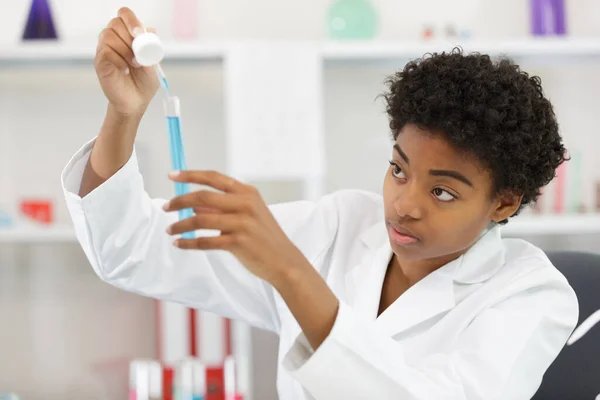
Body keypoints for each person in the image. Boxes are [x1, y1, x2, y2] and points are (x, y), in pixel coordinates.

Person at [61, 7, 578, 400]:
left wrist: (290, 272)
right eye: (398, 169)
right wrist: (123, 115)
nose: (404, 204)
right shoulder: (339, 225)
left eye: (441, 191)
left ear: (504, 204)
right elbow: (130, 252)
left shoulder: (532, 295)